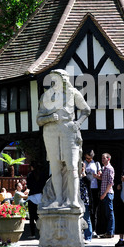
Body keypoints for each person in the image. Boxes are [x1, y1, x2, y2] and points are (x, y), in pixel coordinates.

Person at [36, 69, 90, 208]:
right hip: (51, 131)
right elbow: (39, 120)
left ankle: (72, 200)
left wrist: (78, 123)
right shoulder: (46, 96)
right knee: (55, 166)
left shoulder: (73, 93)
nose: (64, 80)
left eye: (65, 77)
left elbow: (86, 110)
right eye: (61, 78)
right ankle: (58, 199)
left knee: (72, 166)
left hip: (68, 130)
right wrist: (49, 117)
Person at [96, 153, 115, 238]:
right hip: (104, 193)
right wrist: (96, 176)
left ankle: (110, 232)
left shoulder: (110, 169)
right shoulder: (104, 168)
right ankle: (107, 231)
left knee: (110, 213)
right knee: (106, 213)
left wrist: (104, 194)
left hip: (108, 193)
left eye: (104, 158)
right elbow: (103, 179)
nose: (103, 160)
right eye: (102, 158)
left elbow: (110, 183)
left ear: (108, 159)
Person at [83, 149, 101, 237]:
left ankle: (94, 229)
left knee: (94, 210)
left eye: (90, 158)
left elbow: (100, 175)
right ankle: (85, 229)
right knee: (85, 209)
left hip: (94, 188)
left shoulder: (96, 164)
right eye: (86, 158)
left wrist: (97, 176)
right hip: (85, 189)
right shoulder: (83, 163)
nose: (88, 160)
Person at [26, 161, 46, 238]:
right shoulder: (42, 175)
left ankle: (32, 234)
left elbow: (29, 186)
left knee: (32, 215)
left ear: (32, 167)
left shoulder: (30, 175)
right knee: (40, 214)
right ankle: (42, 231)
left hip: (32, 196)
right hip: (40, 196)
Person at [80, 162, 93, 242]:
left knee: (86, 218)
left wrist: (83, 172)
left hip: (85, 201)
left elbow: (88, 181)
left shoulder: (85, 176)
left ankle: (88, 237)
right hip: (77, 200)